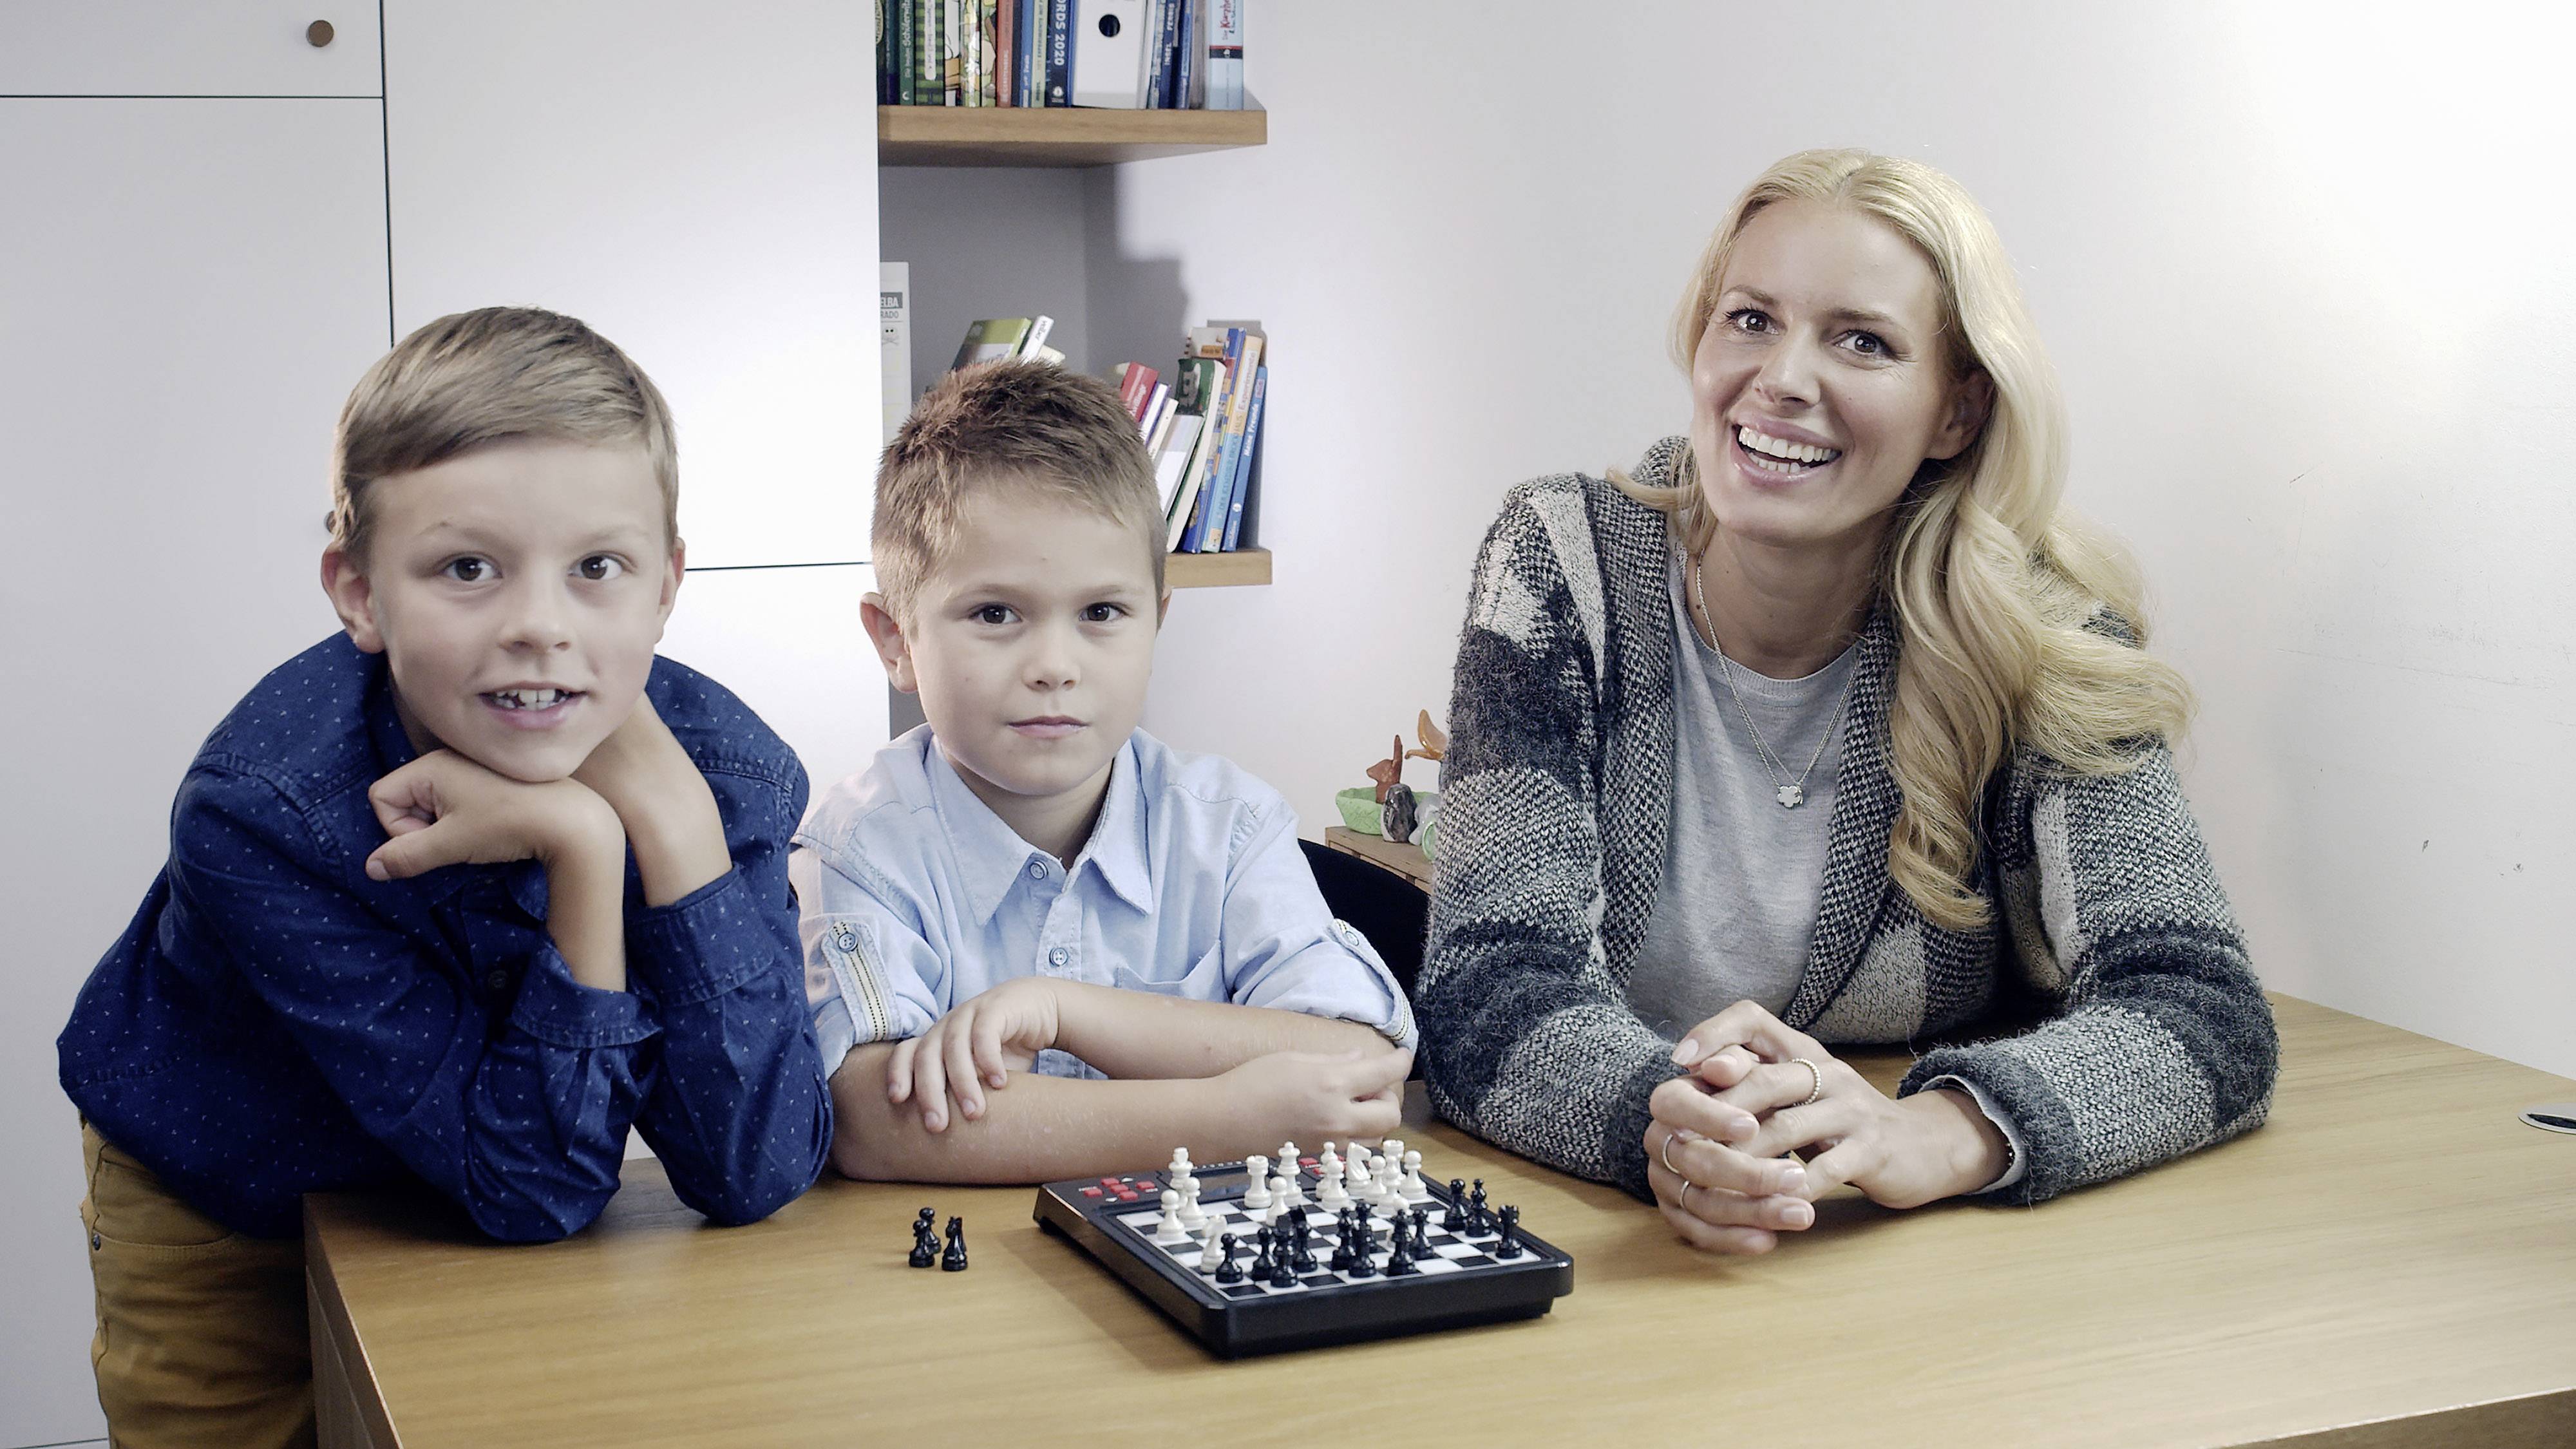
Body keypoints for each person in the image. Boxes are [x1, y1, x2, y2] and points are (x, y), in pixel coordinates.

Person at [1417, 149, 2278, 1255]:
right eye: (1750, 320)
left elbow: (2203, 1006)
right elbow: (1489, 989)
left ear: (1957, 411)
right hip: (1643, 1242)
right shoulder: (1563, 562)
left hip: (1909, 1258)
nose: (1781, 378)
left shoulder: (2039, 629)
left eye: (1860, 341)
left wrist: (1943, 1131)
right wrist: (1670, 1128)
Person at [57, 307, 832, 1446]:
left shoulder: (728, 775)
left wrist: (656, 823)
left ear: (666, 586)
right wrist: (583, 847)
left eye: (597, 569)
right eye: (468, 567)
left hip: (501, 1169)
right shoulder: (265, 812)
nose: (539, 627)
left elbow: (752, 1167)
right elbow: (533, 1186)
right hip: (235, 1203)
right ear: (361, 591)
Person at [797, 360, 1414, 1183]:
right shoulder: (858, 847)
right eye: (995, 613)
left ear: (1156, 623)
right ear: (895, 640)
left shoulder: (1228, 827)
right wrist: (1224, 1118)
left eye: (1100, 613)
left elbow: (1361, 1060)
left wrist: (1066, 1014)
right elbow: (872, 1120)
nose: (1055, 665)